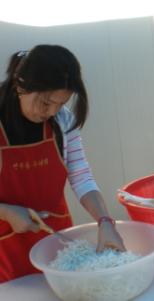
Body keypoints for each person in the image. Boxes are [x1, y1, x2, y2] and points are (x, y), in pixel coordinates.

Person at [0, 45, 125, 283]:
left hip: (54, 236)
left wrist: (105, 222)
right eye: (46, 103)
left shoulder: (62, 119)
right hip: (5, 247)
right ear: (21, 85)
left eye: (60, 103)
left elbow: (81, 176)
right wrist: (6, 211)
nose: (52, 111)